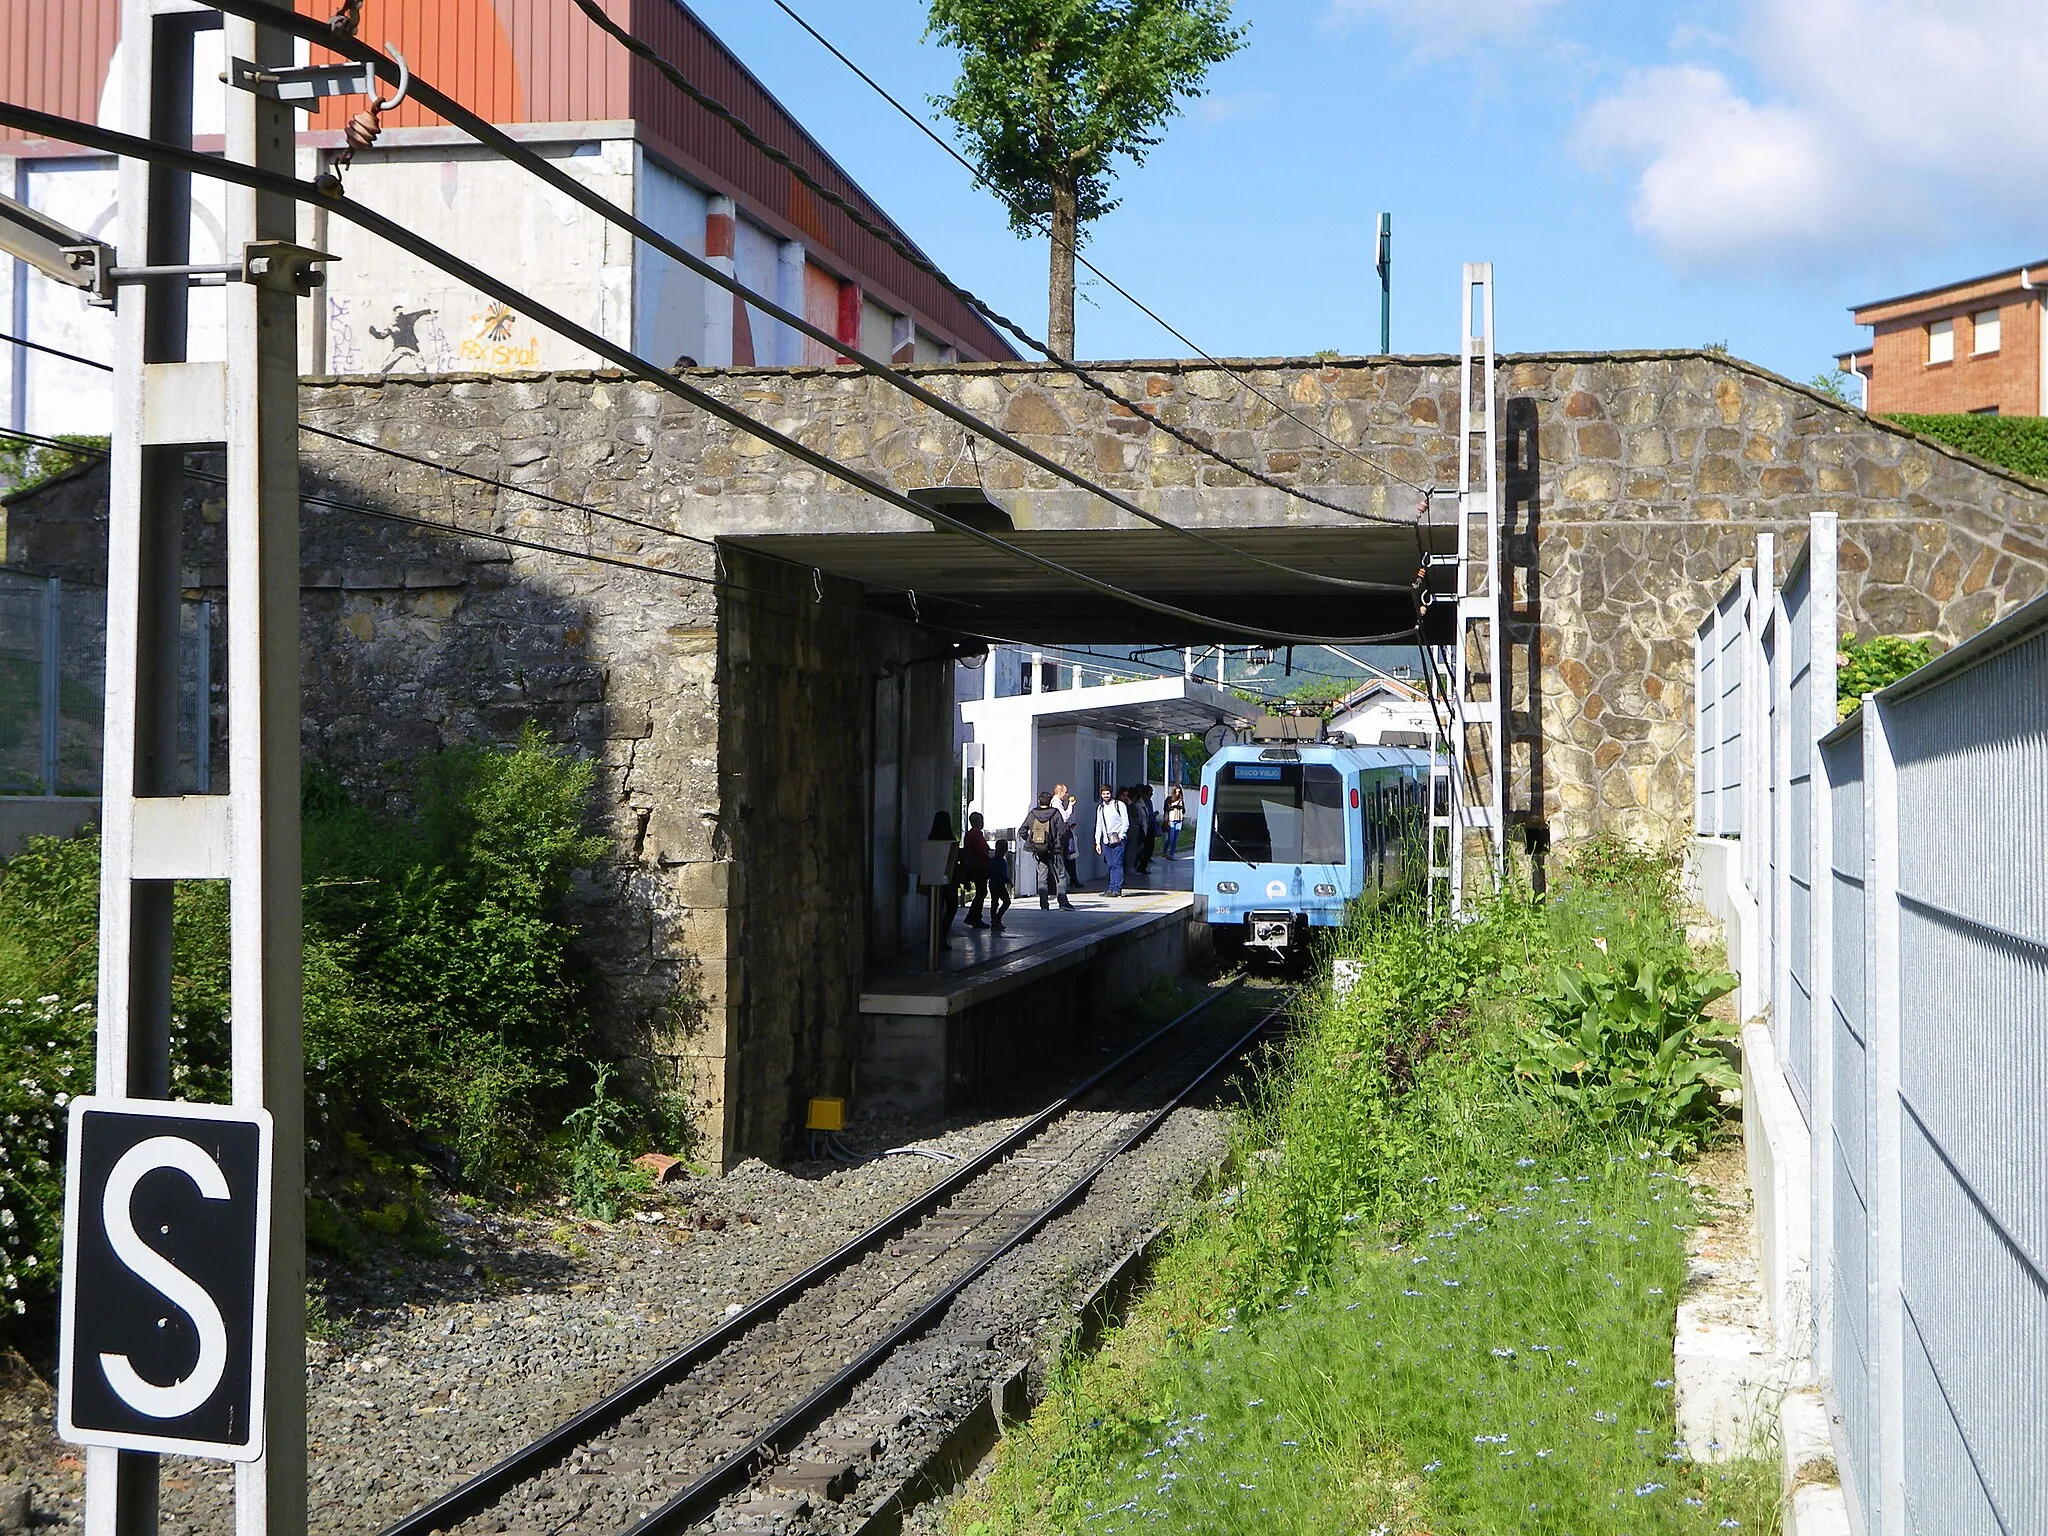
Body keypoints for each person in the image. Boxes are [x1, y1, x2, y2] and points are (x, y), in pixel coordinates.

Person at [1022, 791, 1073, 909]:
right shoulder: (1055, 814)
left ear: (1039, 801)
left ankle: (1044, 904)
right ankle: (1063, 902)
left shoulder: (1032, 814)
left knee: (1042, 877)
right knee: (1060, 876)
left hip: (1039, 851)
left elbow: (1022, 831)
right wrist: (1058, 844)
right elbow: (1062, 831)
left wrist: (1032, 842)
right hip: (1055, 850)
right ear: (1050, 802)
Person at [926, 811, 960, 939]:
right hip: (949, 880)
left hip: (934, 878)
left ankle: (934, 936)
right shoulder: (950, 841)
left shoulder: (931, 840)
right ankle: (942, 935)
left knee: (936, 908)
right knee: (951, 907)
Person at [1095, 782, 1130, 898]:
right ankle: (1111, 887)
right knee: (1111, 865)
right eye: (1103, 794)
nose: (1106, 796)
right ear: (1101, 795)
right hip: (1106, 841)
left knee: (1117, 864)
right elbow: (1099, 825)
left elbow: (1125, 822)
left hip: (1119, 840)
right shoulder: (1100, 808)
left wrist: (1121, 835)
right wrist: (1097, 842)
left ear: (1111, 794)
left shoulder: (1119, 805)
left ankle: (1117, 888)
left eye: (1108, 793)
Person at [961, 810, 992, 928]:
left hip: (975, 866)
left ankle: (974, 916)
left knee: (981, 892)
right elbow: (981, 851)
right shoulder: (976, 835)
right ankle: (974, 916)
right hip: (979, 867)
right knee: (981, 892)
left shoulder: (970, 834)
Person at [1054, 782, 1083, 890]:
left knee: (1070, 857)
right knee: (1067, 858)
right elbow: (1064, 817)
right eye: (1065, 792)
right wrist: (1071, 805)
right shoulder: (1056, 804)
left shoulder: (1058, 803)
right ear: (1060, 792)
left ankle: (1073, 880)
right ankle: (1066, 883)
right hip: (1061, 837)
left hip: (1064, 833)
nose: (1067, 794)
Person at [989, 838, 1014, 930]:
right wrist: (1008, 881)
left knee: (994, 902)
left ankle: (994, 920)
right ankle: (997, 919)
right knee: (1006, 901)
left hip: (992, 883)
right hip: (999, 884)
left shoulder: (992, 860)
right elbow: (1001, 874)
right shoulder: (1002, 862)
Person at [1133, 785, 1158, 876]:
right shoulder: (1139, 804)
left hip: (1149, 827)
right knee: (1142, 849)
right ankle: (1139, 866)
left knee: (1149, 848)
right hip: (1144, 828)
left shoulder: (1148, 802)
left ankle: (1143, 866)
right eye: (1149, 793)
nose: (1150, 795)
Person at [1163, 784, 1186, 860]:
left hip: (1179, 820)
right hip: (1171, 820)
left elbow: (1184, 810)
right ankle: (1165, 851)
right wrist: (1174, 805)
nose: (1178, 794)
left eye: (1179, 792)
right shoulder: (1169, 799)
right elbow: (1166, 809)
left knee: (1175, 840)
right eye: (1176, 792)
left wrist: (1180, 806)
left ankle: (1171, 855)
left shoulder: (1181, 800)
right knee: (1170, 839)